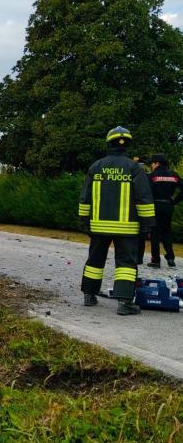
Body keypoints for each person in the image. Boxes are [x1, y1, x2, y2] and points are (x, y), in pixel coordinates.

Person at [79, 126, 155, 315]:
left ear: (108, 143)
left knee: (95, 260)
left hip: (98, 226)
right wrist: (147, 225)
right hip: (127, 228)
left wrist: (84, 221)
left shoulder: (95, 167)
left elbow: (85, 197)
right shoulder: (134, 168)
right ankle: (124, 303)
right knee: (126, 264)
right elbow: (144, 198)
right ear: (126, 145)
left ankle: (89, 295)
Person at [146, 153, 183, 268]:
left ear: (157, 163)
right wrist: (174, 201)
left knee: (155, 233)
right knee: (167, 231)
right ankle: (171, 257)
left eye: (152, 163)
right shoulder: (174, 175)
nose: (151, 165)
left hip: (155, 205)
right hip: (168, 206)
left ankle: (156, 260)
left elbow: (145, 192)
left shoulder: (151, 176)